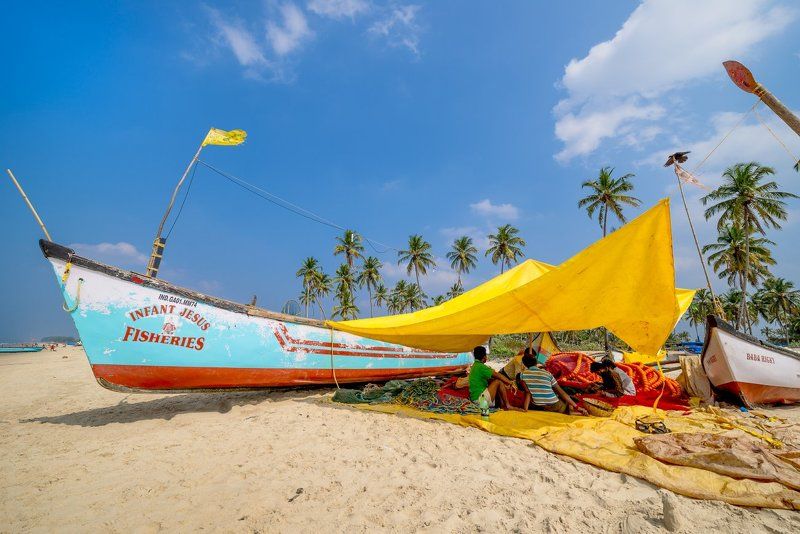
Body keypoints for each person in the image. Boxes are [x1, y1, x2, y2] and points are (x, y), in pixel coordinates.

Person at [520, 358, 587, 415]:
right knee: (566, 398)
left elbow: (527, 393)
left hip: (537, 407)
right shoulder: (548, 374)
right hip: (554, 407)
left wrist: (525, 409)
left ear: (524, 364)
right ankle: (571, 412)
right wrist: (577, 407)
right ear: (536, 363)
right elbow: (562, 393)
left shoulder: (522, 375)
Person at [468, 346, 517, 410]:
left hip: (475, 400)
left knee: (495, 381)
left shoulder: (474, 366)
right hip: (480, 401)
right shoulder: (481, 367)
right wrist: (510, 382)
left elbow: (490, 379)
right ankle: (508, 405)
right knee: (498, 381)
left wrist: (505, 385)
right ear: (484, 356)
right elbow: (498, 375)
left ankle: (502, 405)